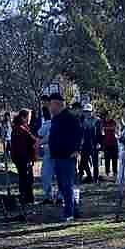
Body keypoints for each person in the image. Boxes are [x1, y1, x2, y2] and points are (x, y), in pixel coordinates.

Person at [46, 90, 83, 222]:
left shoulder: (70, 118)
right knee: (62, 186)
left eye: (51, 105)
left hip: (67, 157)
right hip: (57, 156)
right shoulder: (55, 119)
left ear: (57, 104)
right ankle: (74, 209)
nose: (50, 108)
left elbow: (79, 134)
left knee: (67, 185)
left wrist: (76, 150)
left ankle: (68, 214)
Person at [9, 108, 38, 208]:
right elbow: (31, 140)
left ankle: (27, 198)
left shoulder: (19, 128)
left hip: (21, 158)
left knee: (26, 178)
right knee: (26, 179)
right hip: (23, 158)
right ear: (23, 117)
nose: (29, 119)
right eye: (28, 117)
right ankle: (26, 198)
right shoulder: (20, 129)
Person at [77, 99, 101, 183]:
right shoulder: (81, 120)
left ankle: (96, 179)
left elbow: (100, 133)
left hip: (94, 144)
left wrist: (99, 143)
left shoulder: (97, 120)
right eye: (86, 111)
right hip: (84, 145)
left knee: (95, 163)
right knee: (83, 162)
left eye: (89, 111)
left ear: (92, 111)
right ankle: (85, 176)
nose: (87, 113)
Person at [99, 110, 119, 181]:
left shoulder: (114, 122)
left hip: (114, 143)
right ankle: (107, 173)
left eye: (109, 116)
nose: (108, 117)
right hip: (106, 144)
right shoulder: (102, 122)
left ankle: (115, 172)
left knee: (114, 159)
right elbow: (101, 131)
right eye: (107, 116)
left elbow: (116, 129)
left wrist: (107, 128)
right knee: (107, 159)